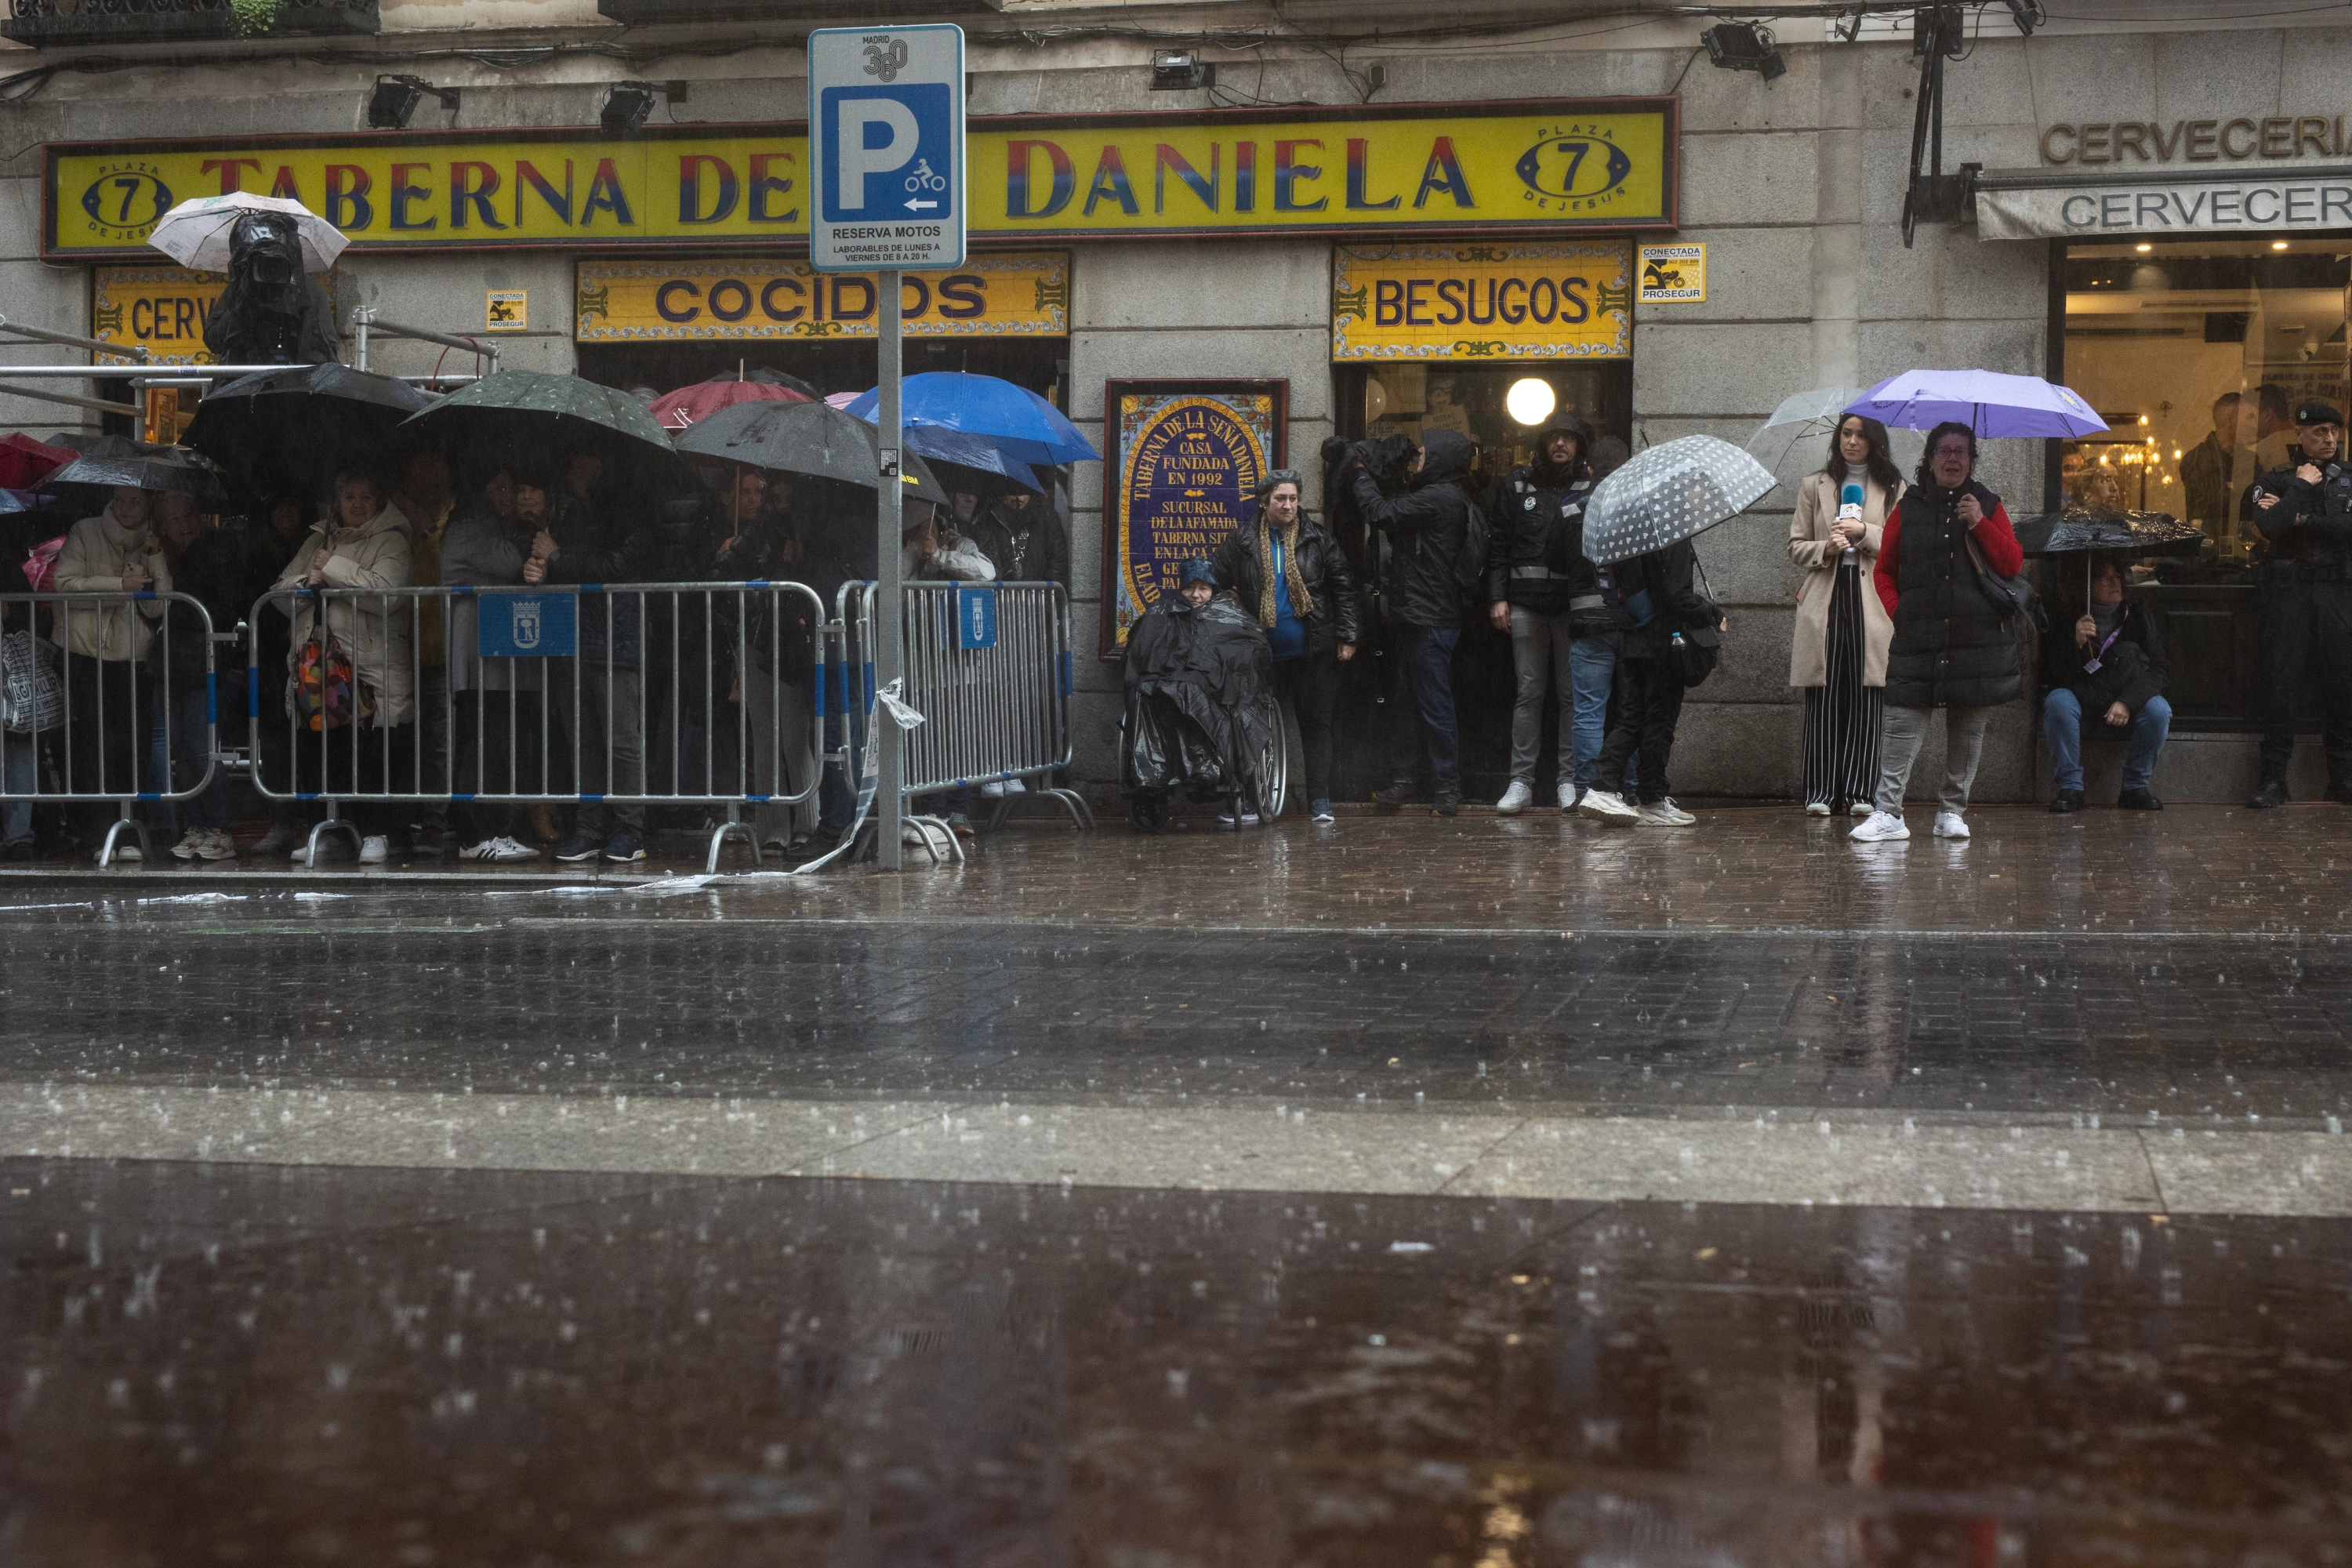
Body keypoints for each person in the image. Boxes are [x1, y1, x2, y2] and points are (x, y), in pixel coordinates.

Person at [1850, 422, 2025, 844]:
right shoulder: (1908, 506)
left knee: (1967, 728)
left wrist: (1980, 522)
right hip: (1918, 637)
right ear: (1929, 459)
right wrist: (1900, 611)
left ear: (1971, 459)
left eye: (1961, 451)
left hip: (1976, 640)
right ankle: (1888, 812)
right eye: (1944, 450)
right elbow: (1885, 568)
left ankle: (1952, 810)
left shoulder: (1986, 503)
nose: (1952, 458)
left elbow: (2012, 564)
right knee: (1900, 723)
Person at [270, 466, 416, 864]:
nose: (356, 505)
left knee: (371, 751)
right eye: (348, 497)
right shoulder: (318, 539)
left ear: (379, 501)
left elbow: (389, 594)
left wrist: (331, 570)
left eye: (364, 497)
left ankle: (376, 832)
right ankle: (331, 829)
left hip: (370, 668)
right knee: (322, 750)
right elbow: (279, 594)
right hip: (317, 668)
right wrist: (311, 583)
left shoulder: (392, 540)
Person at [1212, 468, 1357, 824]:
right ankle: (1250, 801)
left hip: (1314, 650)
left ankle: (1320, 801)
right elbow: (1214, 583)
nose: (1288, 505)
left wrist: (1348, 636)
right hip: (1260, 654)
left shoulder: (1318, 539)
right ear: (1264, 503)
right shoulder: (1243, 542)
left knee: (1316, 724)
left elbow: (1344, 589)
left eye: (1293, 498)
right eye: (1280, 499)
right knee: (1251, 724)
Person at [527, 454, 652, 865]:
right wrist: (542, 563)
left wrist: (558, 557)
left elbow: (618, 565)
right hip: (574, 634)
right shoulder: (568, 510)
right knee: (583, 742)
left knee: (621, 743)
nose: (574, 468)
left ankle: (629, 830)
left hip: (614, 636)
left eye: (580, 462)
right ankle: (590, 827)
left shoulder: (628, 509)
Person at [1348, 427, 1475, 817]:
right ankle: (1408, 781)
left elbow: (1380, 513)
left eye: (1423, 454)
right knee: (1408, 702)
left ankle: (1445, 789)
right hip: (1420, 615)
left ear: (1440, 459)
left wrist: (1360, 473)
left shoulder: (1439, 497)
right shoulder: (1446, 495)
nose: (1417, 460)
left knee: (1433, 704)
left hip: (1429, 619)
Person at [1789, 414, 1903, 818]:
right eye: (1846, 433)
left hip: (1871, 598)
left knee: (1868, 693)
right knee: (1823, 693)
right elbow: (1795, 546)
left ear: (1874, 441)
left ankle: (1860, 792)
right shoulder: (1814, 484)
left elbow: (1898, 543)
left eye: (1861, 435)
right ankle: (1819, 791)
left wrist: (1863, 532)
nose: (1852, 441)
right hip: (1826, 595)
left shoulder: (1893, 487)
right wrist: (1827, 548)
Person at [1485, 415, 1598, 815]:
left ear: (1579, 446)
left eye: (1569, 438)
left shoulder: (1590, 485)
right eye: (1555, 438)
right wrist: (1498, 597)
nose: (1561, 445)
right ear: (1543, 443)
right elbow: (1498, 543)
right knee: (1529, 694)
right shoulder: (1518, 483)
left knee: (1571, 697)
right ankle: (1521, 783)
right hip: (1526, 605)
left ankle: (1568, 781)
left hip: (1573, 608)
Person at [51, 485, 169, 856]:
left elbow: (158, 608)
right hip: (83, 652)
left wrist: (157, 557)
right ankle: (95, 832)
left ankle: (127, 830)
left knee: (130, 746)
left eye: (135, 501)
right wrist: (120, 585)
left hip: (131, 656)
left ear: (147, 503)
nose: (127, 507)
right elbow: (64, 585)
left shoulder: (153, 540)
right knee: (87, 745)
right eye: (120, 499)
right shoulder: (85, 531)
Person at [2247, 398, 2352, 806]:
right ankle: (2274, 779)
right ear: (2300, 434)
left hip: (2337, 593)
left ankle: (2341, 779)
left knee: (2342, 684)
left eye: (2334, 432)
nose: (2329, 439)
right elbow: (2270, 525)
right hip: (2290, 593)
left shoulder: (2348, 477)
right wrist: (2301, 488)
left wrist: (2303, 519)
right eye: (2320, 432)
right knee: (2282, 683)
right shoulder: (2277, 480)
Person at [1579, 536, 1722, 828]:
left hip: (1635, 638)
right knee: (1659, 721)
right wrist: (1711, 611)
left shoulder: (1633, 535)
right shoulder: (1671, 535)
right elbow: (1676, 595)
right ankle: (1633, 794)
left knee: (1632, 719)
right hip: (1664, 643)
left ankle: (1623, 791)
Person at [439, 464, 541, 862]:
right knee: (480, 742)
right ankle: (473, 833)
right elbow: (509, 561)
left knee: (497, 743)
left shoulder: (484, 524)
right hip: (478, 655)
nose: (509, 495)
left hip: (497, 653)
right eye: (499, 486)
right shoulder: (471, 527)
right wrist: (526, 527)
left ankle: (495, 828)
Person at [148, 492, 245, 860]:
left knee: (202, 746)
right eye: (174, 519)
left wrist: (185, 608)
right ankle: (195, 826)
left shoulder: (217, 548)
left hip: (208, 660)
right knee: (185, 753)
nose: (184, 524)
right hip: (175, 661)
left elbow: (221, 604)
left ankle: (219, 829)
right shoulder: (164, 556)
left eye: (189, 514)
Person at [2042, 557, 2170, 812]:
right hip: (2084, 699)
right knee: (2057, 701)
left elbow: (2159, 670)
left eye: (2118, 575)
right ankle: (2070, 788)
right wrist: (2074, 644)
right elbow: (2051, 676)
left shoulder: (2138, 616)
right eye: (2104, 576)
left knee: (2159, 710)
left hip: (2125, 701)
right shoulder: (2067, 617)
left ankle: (2135, 787)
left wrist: (2127, 702)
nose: (2115, 583)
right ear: (2086, 585)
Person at [392, 443, 456, 854]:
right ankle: (401, 821)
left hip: (444, 645)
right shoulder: (394, 516)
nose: (428, 472)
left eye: (436, 462)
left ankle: (435, 820)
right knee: (403, 739)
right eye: (421, 462)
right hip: (401, 646)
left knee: (440, 740)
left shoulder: (457, 514)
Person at [966, 485, 1070, 589]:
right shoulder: (989, 519)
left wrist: (1049, 598)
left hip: (1038, 598)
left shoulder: (1046, 517)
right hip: (1000, 596)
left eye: (1024, 492)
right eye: (1013, 491)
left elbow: (1058, 564)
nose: (1019, 498)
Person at [2179, 391, 2251, 536]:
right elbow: (2211, 505)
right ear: (2230, 421)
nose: (2253, 425)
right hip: (2208, 551)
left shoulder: (2251, 459)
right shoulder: (2196, 459)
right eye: (2248, 418)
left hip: (2243, 549)